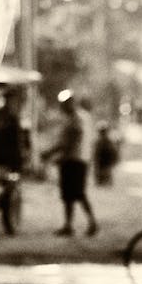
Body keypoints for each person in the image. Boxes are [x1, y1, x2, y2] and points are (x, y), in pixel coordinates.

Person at [41, 89, 97, 236]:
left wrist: (52, 154)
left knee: (76, 193)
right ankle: (71, 225)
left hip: (74, 161)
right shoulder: (80, 117)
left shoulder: (76, 119)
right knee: (71, 195)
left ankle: (89, 223)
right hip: (77, 160)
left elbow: (69, 143)